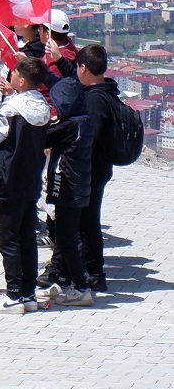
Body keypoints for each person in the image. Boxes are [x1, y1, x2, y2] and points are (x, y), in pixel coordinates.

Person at [0, 57, 51, 315]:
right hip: (32, 179)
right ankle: (28, 293)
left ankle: (13, 296)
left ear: (21, 80)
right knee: (26, 237)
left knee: (8, 239)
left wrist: (7, 100)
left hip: (9, 179)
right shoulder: (43, 107)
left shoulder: (12, 108)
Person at [37, 75, 95, 308]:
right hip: (78, 187)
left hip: (68, 188)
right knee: (64, 237)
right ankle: (64, 282)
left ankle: (81, 288)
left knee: (68, 240)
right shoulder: (84, 121)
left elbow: (42, 137)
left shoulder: (69, 125)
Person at [74, 45, 118, 292]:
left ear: (83, 68)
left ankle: (93, 273)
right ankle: (90, 270)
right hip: (100, 168)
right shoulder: (107, 90)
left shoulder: (94, 100)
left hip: (90, 169)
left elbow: (88, 136)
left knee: (87, 222)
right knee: (88, 220)